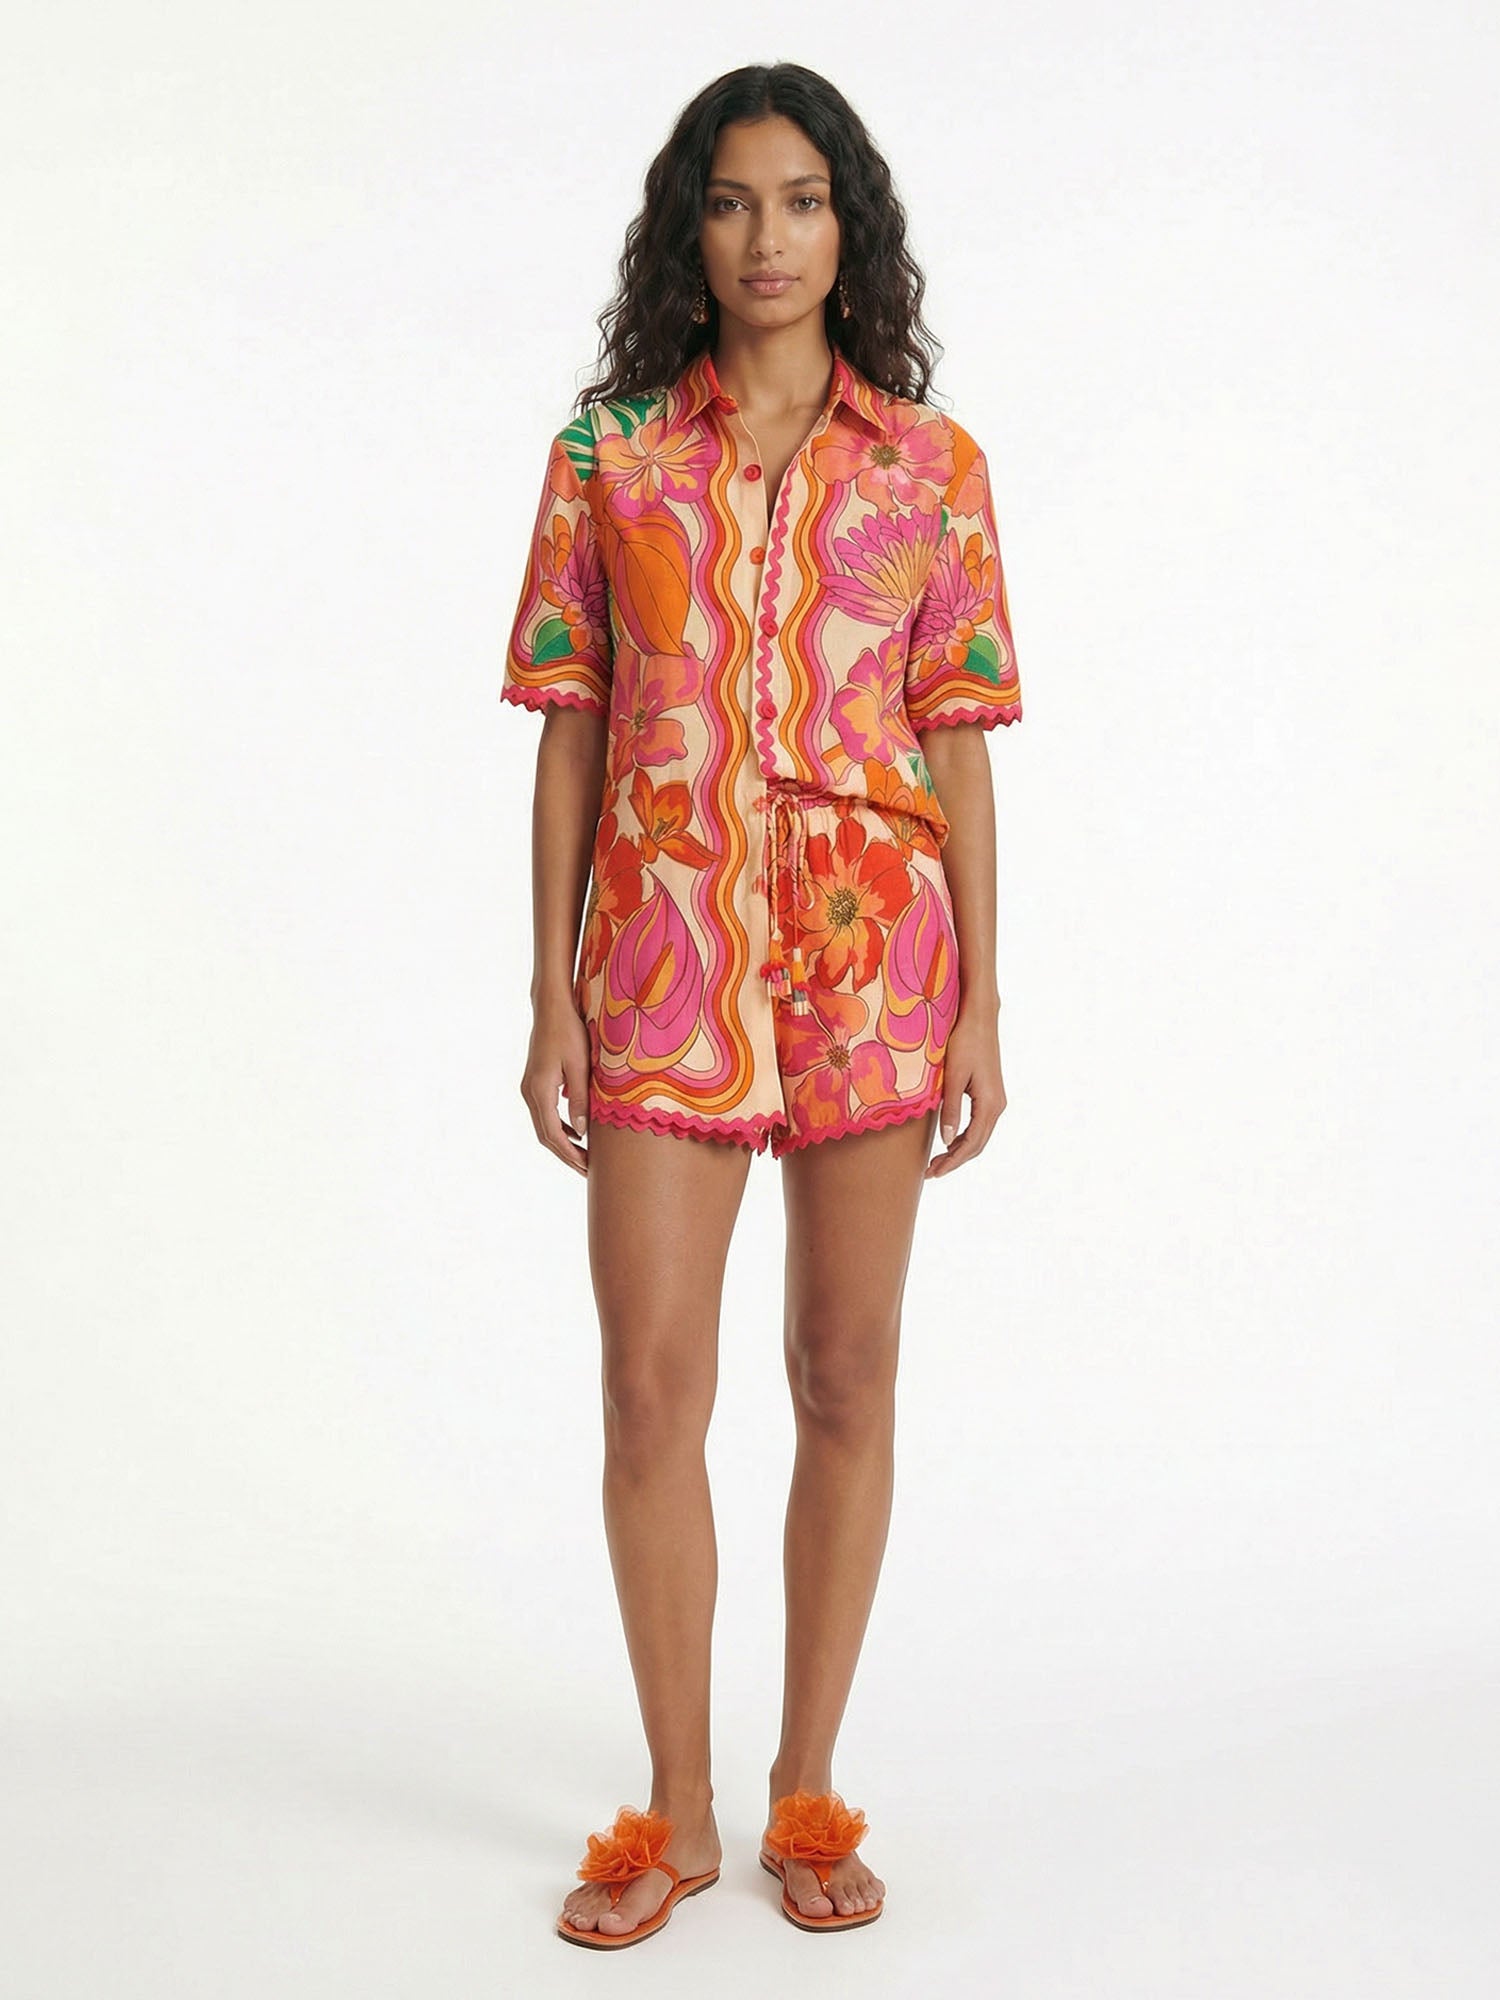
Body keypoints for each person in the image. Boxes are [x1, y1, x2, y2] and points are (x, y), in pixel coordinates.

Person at [500, 62, 1022, 1949]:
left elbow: (957, 743)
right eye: (731, 203)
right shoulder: (611, 455)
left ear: (848, 228)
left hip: (877, 962)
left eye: (803, 201)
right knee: (650, 1385)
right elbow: (571, 729)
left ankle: (808, 1787)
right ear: (689, 231)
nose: (769, 237)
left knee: (844, 1371)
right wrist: (552, 993)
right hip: (665, 953)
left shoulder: (932, 467)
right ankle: (680, 1807)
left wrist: (983, 1001)